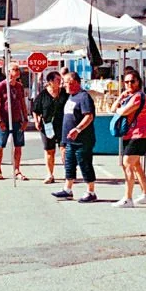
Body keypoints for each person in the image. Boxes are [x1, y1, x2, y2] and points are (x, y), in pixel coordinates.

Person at [53, 72, 98, 202]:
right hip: (70, 140)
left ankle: (91, 191)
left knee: (85, 164)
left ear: (74, 82)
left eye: (66, 82)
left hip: (83, 140)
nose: (63, 85)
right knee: (69, 164)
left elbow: (89, 116)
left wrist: (78, 129)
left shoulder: (83, 97)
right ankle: (68, 189)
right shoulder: (71, 97)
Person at [112, 70, 146, 208]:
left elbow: (123, 111)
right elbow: (113, 108)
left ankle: (128, 198)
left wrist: (119, 109)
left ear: (138, 82)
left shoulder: (138, 97)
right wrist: (120, 97)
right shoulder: (128, 96)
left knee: (127, 164)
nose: (129, 84)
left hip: (139, 134)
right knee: (136, 166)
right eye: (127, 82)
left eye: (132, 81)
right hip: (130, 134)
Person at [0, 63, 29, 181]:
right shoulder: (1, 86)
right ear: (9, 72)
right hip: (4, 120)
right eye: (15, 69)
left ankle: (17, 169)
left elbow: (22, 103)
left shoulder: (19, 86)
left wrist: (25, 118)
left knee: (18, 146)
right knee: (1, 145)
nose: (17, 71)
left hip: (17, 120)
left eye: (18, 69)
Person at [32, 70, 67, 184]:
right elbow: (35, 110)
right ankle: (50, 174)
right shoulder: (42, 95)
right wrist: (37, 121)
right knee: (49, 151)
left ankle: (68, 173)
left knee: (64, 149)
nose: (60, 82)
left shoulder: (64, 94)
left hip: (62, 125)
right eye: (57, 80)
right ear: (51, 81)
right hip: (47, 126)